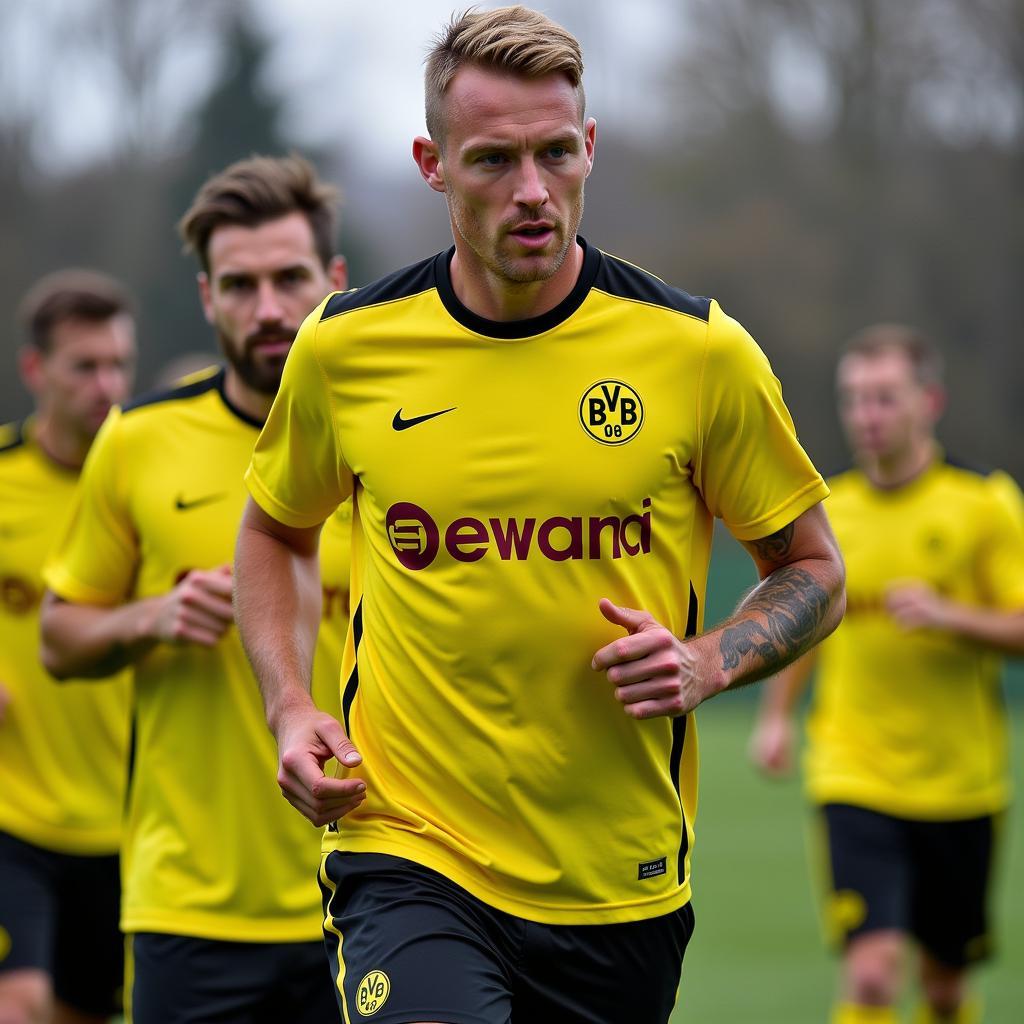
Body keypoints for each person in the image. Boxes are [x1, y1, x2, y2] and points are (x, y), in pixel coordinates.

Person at [235, 8, 846, 1023]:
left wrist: (712, 659)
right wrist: (290, 704)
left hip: (615, 881)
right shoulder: (344, 351)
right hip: (407, 847)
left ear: (589, 147)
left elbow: (816, 569)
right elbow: (273, 528)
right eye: (492, 161)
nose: (531, 190)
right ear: (432, 164)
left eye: (556, 153)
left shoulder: (697, 353)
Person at [39, 155, 351, 1024]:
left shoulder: (394, 439)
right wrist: (151, 616)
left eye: (289, 279)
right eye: (240, 285)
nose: (268, 309)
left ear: (333, 280)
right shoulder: (138, 441)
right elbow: (58, 641)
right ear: (207, 296)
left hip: (376, 889)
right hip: (189, 909)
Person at [750, 324, 1024, 1024]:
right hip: (854, 770)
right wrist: (778, 715)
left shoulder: (983, 504)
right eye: (854, 400)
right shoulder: (829, 513)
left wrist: (950, 616)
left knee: (942, 987)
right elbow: (803, 619)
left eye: (883, 399)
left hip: (961, 782)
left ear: (928, 401)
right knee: (871, 975)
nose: (866, 417)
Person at [0, 269, 136, 1024]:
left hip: (128, 821)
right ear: (35, 370)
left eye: (118, 364)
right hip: (11, 813)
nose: (105, 384)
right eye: (84, 365)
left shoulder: (146, 484)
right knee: (17, 1004)